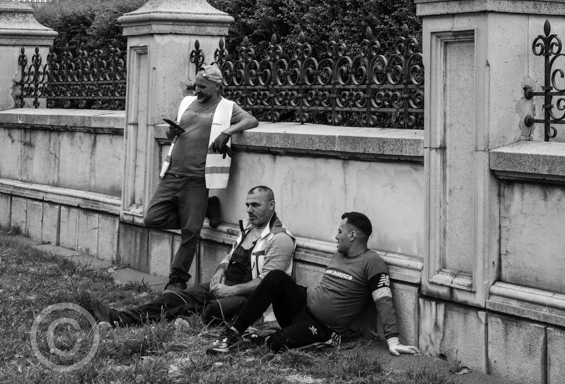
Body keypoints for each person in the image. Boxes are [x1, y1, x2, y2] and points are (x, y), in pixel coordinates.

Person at [208, 212, 417, 356]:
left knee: (276, 344)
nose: (336, 236)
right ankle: (234, 333)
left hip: (323, 329)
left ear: (353, 235)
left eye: (340, 232)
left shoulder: (373, 262)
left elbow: (384, 301)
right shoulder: (339, 254)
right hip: (302, 308)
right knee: (275, 277)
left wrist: (393, 341)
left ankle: (255, 339)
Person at [93, 186, 295, 328]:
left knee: (212, 310)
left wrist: (231, 290)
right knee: (173, 297)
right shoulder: (248, 228)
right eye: (247, 205)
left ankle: (180, 317)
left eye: (255, 205)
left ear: (271, 205)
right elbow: (229, 256)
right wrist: (220, 271)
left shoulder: (280, 239)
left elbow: (266, 283)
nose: (249, 210)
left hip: (250, 298)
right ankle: (119, 318)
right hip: (223, 286)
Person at [143, 64, 259, 291]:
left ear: (217, 86)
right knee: (152, 218)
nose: (197, 90)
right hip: (172, 173)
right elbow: (172, 134)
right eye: (196, 86)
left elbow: (251, 121)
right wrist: (171, 132)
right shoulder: (187, 102)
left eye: (202, 87)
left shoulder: (227, 107)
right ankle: (206, 208)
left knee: (191, 232)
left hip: (197, 178)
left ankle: (177, 279)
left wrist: (227, 132)